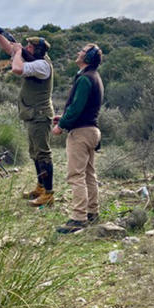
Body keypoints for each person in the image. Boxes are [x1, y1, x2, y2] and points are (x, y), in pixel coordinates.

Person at [0, 22, 55, 206]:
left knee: (43, 154)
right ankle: (40, 187)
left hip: (40, 115)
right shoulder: (36, 59)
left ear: (37, 51)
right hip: (33, 115)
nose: (26, 48)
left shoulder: (42, 65)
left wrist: (17, 53)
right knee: (35, 153)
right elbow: (11, 48)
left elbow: (16, 68)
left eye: (30, 46)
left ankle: (48, 194)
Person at [52, 43, 104, 234]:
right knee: (89, 174)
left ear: (87, 58)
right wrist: (64, 118)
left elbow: (76, 108)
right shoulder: (95, 77)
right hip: (92, 131)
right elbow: (81, 108)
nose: (77, 53)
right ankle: (92, 212)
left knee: (76, 175)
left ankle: (78, 218)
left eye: (81, 52)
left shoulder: (84, 78)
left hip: (80, 133)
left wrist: (61, 125)